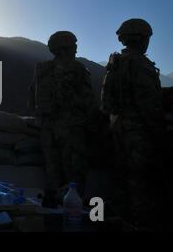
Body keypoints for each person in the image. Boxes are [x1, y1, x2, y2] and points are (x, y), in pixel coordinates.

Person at [101, 18, 167, 229]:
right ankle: (139, 224)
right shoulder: (139, 63)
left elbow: (107, 102)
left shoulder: (117, 63)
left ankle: (119, 220)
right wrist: (160, 133)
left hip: (118, 127)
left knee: (120, 178)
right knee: (140, 181)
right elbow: (149, 104)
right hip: (138, 132)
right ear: (141, 39)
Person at [29, 31, 95, 205]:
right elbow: (89, 103)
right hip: (71, 130)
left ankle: (52, 213)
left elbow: (31, 99)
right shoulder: (78, 69)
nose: (76, 48)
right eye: (73, 45)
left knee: (52, 175)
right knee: (74, 178)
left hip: (46, 129)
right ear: (66, 48)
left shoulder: (42, 70)